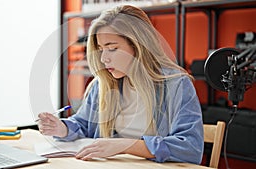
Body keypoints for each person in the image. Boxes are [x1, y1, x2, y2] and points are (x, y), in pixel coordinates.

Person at [38, 5, 204, 164]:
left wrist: (125, 146)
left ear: (138, 46)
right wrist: (62, 128)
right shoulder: (102, 84)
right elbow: (83, 125)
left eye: (112, 48)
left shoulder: (177, 85)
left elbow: (189, 147)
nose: (103, 59)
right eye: (101, 49)